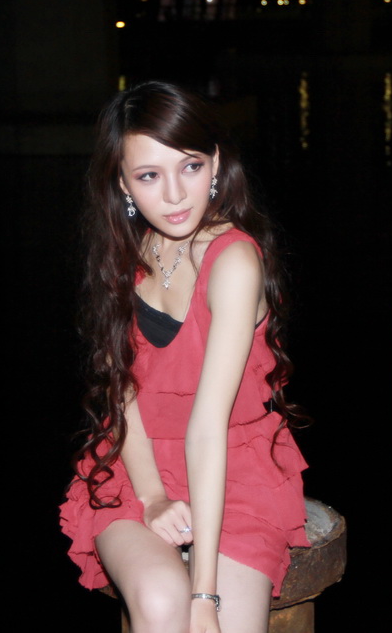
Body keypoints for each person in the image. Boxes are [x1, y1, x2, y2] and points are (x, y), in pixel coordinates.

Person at [60, 82, 308, 633]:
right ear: (122, 183)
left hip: (232, 469)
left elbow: (207, 427)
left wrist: (205, 595)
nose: (174, 195)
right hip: (136, 460)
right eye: (149, 176)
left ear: (215, 163)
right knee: (157, 600)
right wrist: (151, 497)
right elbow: (122, 389)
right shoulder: (127, 250)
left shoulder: (233, 261)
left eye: (190, 167)